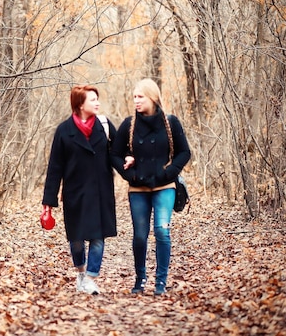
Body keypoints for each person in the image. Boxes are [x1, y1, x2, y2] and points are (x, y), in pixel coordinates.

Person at [110, 78, 191, 296]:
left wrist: (169, 172)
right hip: (138, 188)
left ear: (153, 98)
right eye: (134, 97)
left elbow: (184, 152)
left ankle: (161, 282)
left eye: (140, 97)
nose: (136, 101)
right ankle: (140, 279)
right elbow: (115, 155)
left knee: (162, 231)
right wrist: (130, 175)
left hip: (165, 186)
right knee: (140, 235)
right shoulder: (129, 125)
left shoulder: (171, 122)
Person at [42, 85, 117, 295]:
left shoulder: (104, 125)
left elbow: (120, 151)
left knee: (98, 237)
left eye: (97, 99)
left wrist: (132, 166)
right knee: (76, 240)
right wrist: (49, 200)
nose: (97, 103)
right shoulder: (64, 131)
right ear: (80, 104)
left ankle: (91, 277)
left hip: (101, 191)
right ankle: (82, 272)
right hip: (75, 193)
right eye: (92, 100)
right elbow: (55, 167)